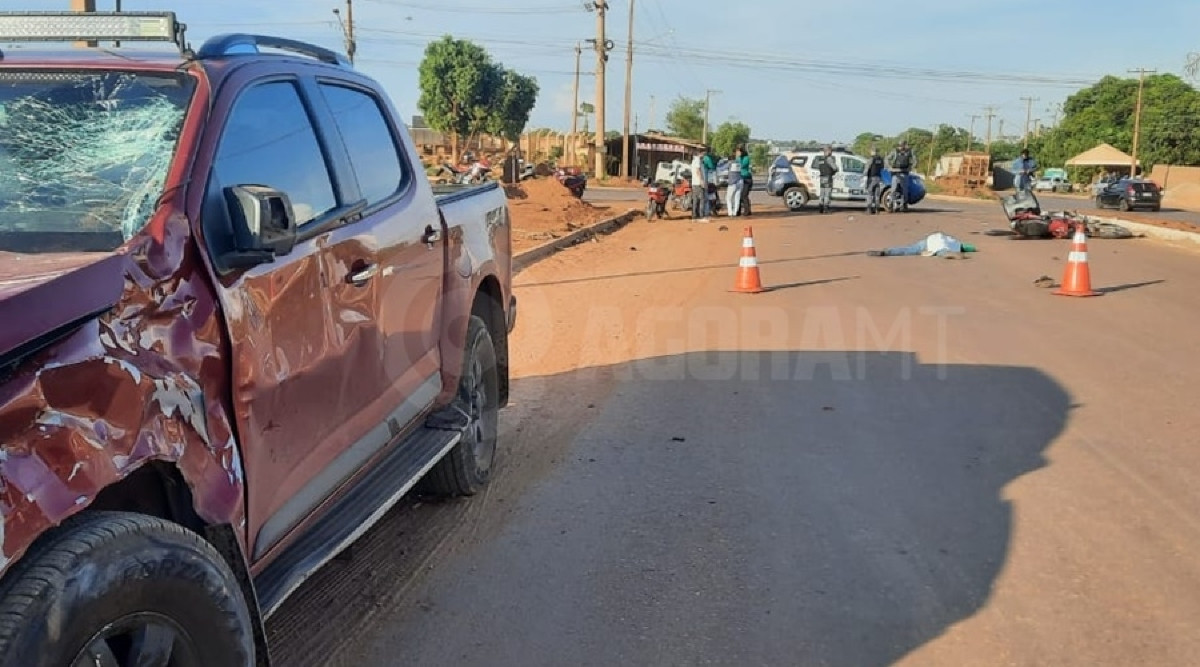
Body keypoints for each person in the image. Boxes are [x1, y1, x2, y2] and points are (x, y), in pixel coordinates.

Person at [866, 231, 978, 257]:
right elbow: (969, 247)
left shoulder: (943, 237)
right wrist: (973, 249)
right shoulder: (956, 243)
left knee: (908, 249)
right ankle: (946, 254)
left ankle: (887, 251)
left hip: (928, 241)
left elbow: (967, 247)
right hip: (940, 246)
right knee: (942, 251)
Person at [887, 140, 915, 212]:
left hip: (904, 172)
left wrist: (910, 168)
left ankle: (903, 206)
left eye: (902, 145)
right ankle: (890, 205)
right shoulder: (895, 151)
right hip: (896, 173)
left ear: (905, 145)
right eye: (900, 145)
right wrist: (890, 167)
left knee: (904, 191)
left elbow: (915, 160)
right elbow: (887, 159)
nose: (901, 146)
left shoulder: (909, 151)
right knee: (893, 190)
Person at [816, 145, 839, 214]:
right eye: (831, 151)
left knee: (822, 193)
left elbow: (818, 167)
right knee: (827, 194)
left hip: (822, 177)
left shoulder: (820, 159)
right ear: (828, 151)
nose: (831, 152)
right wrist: (835, 170)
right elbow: (835, 168)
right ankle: (826, 209)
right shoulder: (829, 159)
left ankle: (820, 208)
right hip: (828, 177)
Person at [689, 147, 710, 221]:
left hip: (694, 183)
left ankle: (694, 216)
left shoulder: (694, 160)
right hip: (698, 183)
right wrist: (701, 180)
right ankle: (701, 216)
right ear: (700, 153)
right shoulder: (697, 160)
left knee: (695, 200)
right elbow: (698, 171)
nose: (704, 154)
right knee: (701, 199)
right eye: (704, 153)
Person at [865, 146, 885, 215]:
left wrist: (864, 176)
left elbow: (867, 168)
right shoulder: (881, 159)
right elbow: (882, 168)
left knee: (870, 194)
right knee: (877, 195)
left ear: (873, 151)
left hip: (871, 178)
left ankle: (869, 209)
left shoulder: (871, 159)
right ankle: (877, 209)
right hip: (878, 178)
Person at [725, 150, 744, 217]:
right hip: (740, 181)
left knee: (728, 198)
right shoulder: (739, 163)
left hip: (732, 183)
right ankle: (735, 212)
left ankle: (730, 213)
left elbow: (722, 168)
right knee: (737, 198)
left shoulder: (730, 163)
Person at [736, 145, 753, 216]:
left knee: (744, 195)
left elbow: (742, 165)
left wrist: (739, 159)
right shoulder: (737, 158)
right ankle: (738, 210)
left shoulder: (746, 158)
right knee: (738, 195)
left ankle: (747, 211)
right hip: (739, 178)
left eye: (738, 151)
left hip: (746, 178)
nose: (737, 153)